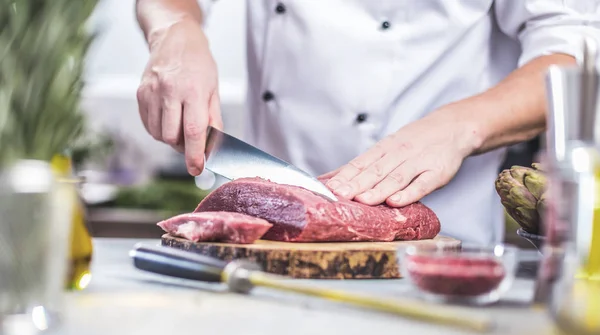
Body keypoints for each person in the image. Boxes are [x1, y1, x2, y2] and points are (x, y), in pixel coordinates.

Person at [135, 0, 600, 245]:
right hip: (268, 242)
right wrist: (174, 29)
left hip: (435, 253)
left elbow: (575, 53)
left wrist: (464, 126)